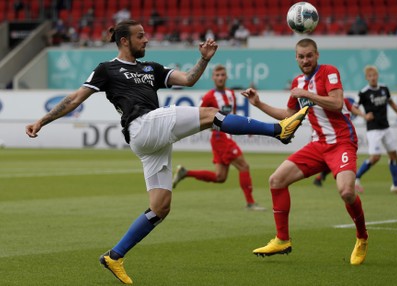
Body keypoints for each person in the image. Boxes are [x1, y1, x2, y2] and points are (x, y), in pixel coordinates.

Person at [25, 20, 307, 284]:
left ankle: (115, 256)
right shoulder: (106, 69)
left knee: (160, 207)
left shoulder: (151, 69)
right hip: (142, 126)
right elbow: (75, 98)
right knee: (211, 114)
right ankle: (278, 131)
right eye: (140, 36)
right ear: (124, 41)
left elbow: (188, 80)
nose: (146, 39)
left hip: (152, 140)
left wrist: (205, 59)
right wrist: (42, 121)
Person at [242, 38, 368, 265]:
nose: (305, 60)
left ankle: (362, 237)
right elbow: (287, 115)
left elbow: (337, 103)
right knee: (276, 180)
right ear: (296, 58)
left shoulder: (329, 72)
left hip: (341, 143)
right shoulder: (298, 82)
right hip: (317, 145)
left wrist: (308, 95)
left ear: (317, 55)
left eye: (309, 55)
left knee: (347, 192)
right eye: (301, 56)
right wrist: (258, 103)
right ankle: (282, 240)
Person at [172, 64, 266, 211]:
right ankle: (250, 203)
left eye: (223, 75)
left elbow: (232, 116)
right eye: (217, 75)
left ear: (226, 77)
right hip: (219, 137)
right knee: (244, 166)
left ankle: (185, 172)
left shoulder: (231, 94)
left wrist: (245, 127)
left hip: (226, 137)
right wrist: (212, 128)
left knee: (220, 177)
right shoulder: (209, 96)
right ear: (213, 78)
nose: (220, 78)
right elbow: (199, 115)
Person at [354, 65, 397, 196]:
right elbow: (353, 107)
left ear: (377, 76)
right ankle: (356, 178)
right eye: (370, 76)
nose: (373, 78)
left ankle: (396, 185)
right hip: (373, 129)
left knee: (394, 156)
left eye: (374, 75)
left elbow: (391, 103)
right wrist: (364, 116)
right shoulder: (364, 92)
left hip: (386, 127)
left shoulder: (384, 89)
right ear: (367, 78)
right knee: (375, 157)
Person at [313, 98, 370, 187]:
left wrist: (364, 116)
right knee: (335, 160)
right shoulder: (324, 101)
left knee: (334, 160)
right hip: (334, 138)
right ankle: (322, 177)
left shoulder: (341, 101)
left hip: (338, 137)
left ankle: (321, 177)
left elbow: (353, 110)